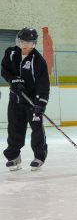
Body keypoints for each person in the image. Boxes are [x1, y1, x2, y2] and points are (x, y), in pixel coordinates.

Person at [3, 27, 49, 171]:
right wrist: (13, 80)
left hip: (32, 101)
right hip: (15, 100)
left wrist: (41, 103)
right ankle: (13, 156)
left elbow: (43, 84)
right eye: (22, 41)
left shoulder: (39, 60)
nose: (24, 44)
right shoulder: (11, 52)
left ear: (34, 43)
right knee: (14, 128)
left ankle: (39, 156)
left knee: (36, 129)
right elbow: (4, 69)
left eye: (28, 42)